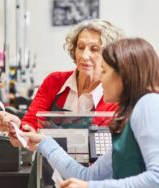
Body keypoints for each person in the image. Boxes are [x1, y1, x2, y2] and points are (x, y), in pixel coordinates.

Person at [20, 37, 159, 187]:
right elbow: (87, 175)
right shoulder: (128, 117)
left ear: (123, 75)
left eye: (104, 71)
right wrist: (44, 143)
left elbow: (156, 178)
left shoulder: (148, 104)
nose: (100, 78)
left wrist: (90, 187)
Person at [0, 19, 125, 135]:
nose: (84, 55)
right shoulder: (54, 81)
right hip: (47, 161)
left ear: (110, 56)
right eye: (80, 47)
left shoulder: (113, 95)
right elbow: (30, 126)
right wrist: (16, 126)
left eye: (94, 49)